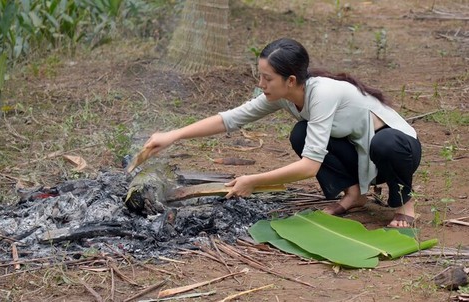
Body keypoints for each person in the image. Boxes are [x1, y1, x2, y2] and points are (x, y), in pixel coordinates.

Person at [143, 37, 421, 228]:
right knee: (301, 134)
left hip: (397, 152)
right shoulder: (284, 95)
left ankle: (405, 205)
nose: (261, 83)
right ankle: (354, 195)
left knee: (385, 143)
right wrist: (173, 135)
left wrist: (253, 180)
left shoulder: (322, 93)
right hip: (361, 154)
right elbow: (230, 119)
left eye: (267, 78)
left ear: (290, 80)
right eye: (260, 75)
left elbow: (310, 166)